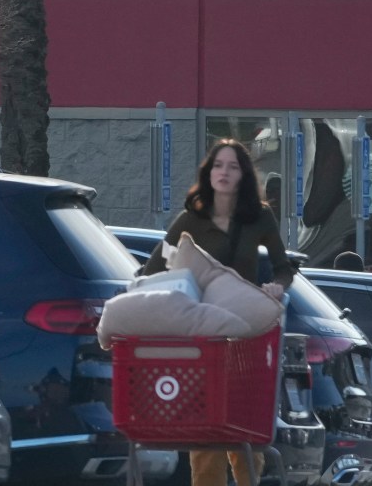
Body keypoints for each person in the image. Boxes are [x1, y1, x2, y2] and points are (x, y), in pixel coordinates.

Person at [138, 141, 295, 486]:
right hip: (202, 334)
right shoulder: (190, 219)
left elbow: (284, 268)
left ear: (243, 175)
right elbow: (151, 269)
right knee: (205, 430)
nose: (224, 173)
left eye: (233, 167)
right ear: (208, 174)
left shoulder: (259, 218)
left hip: (243, 333)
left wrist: (277, 287)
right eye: (218, 166)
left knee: (244, 430)